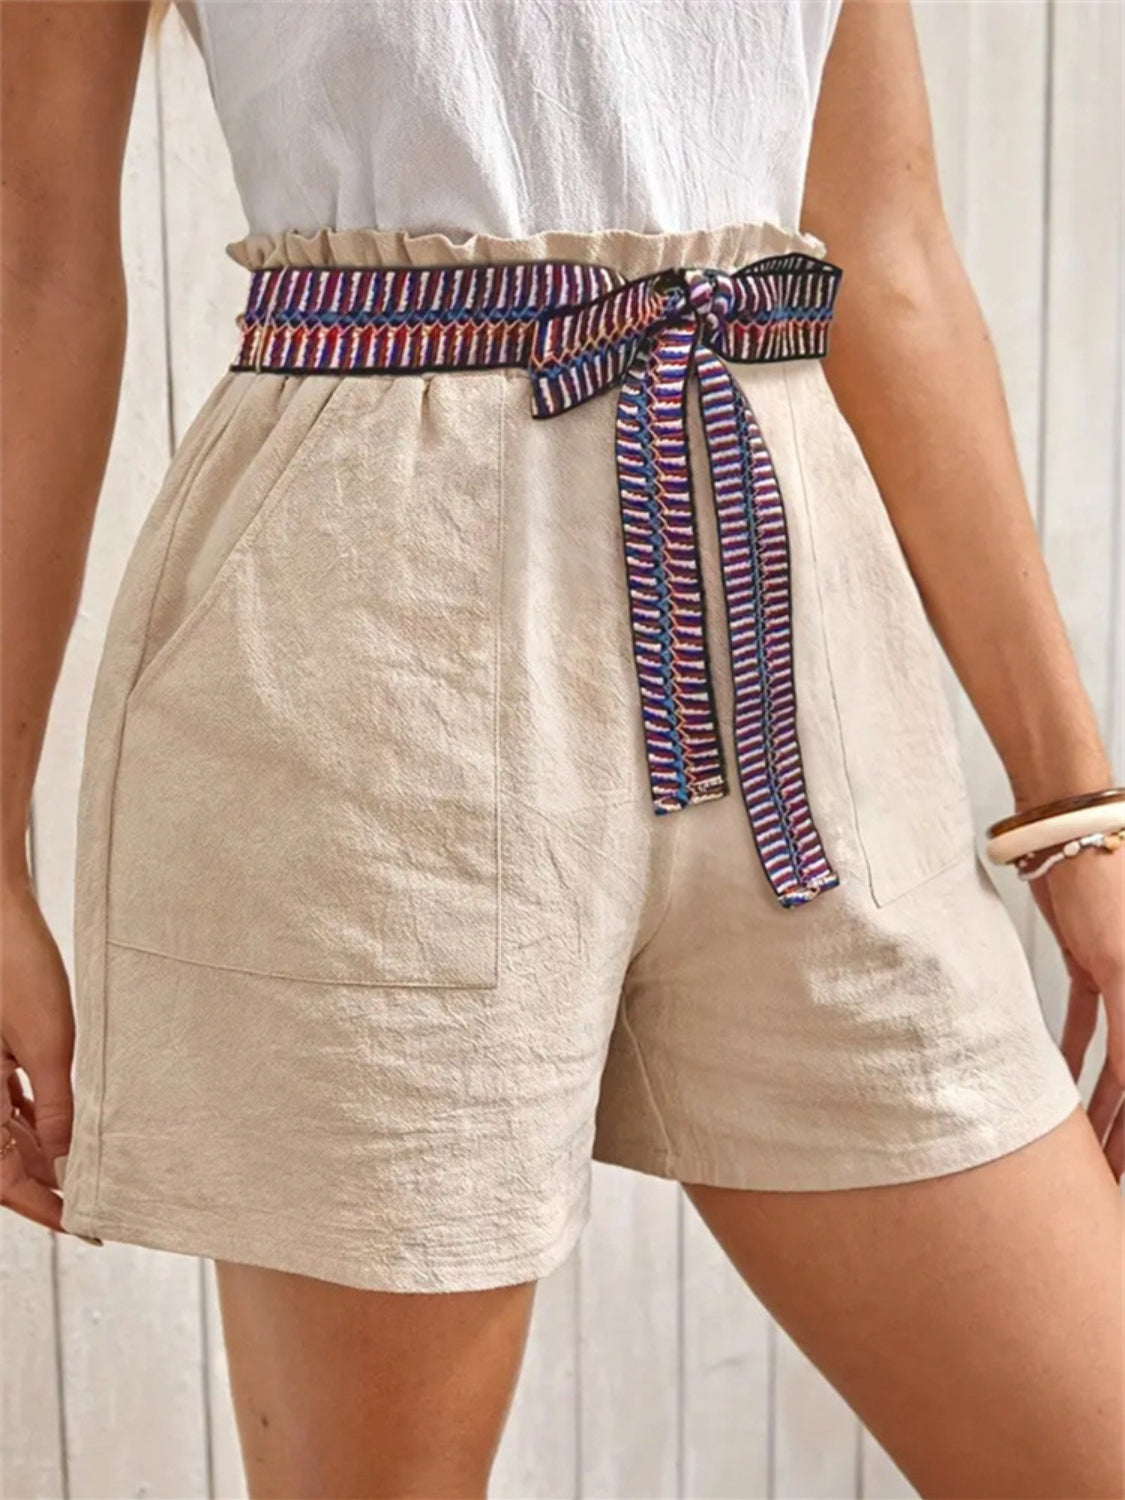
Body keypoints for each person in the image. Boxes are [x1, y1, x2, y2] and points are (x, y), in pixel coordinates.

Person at [3, 1, 1123, 1495]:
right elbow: (37, 270)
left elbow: (891, 254)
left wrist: (1076, 814)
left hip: (802, 676)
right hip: (375, 659)